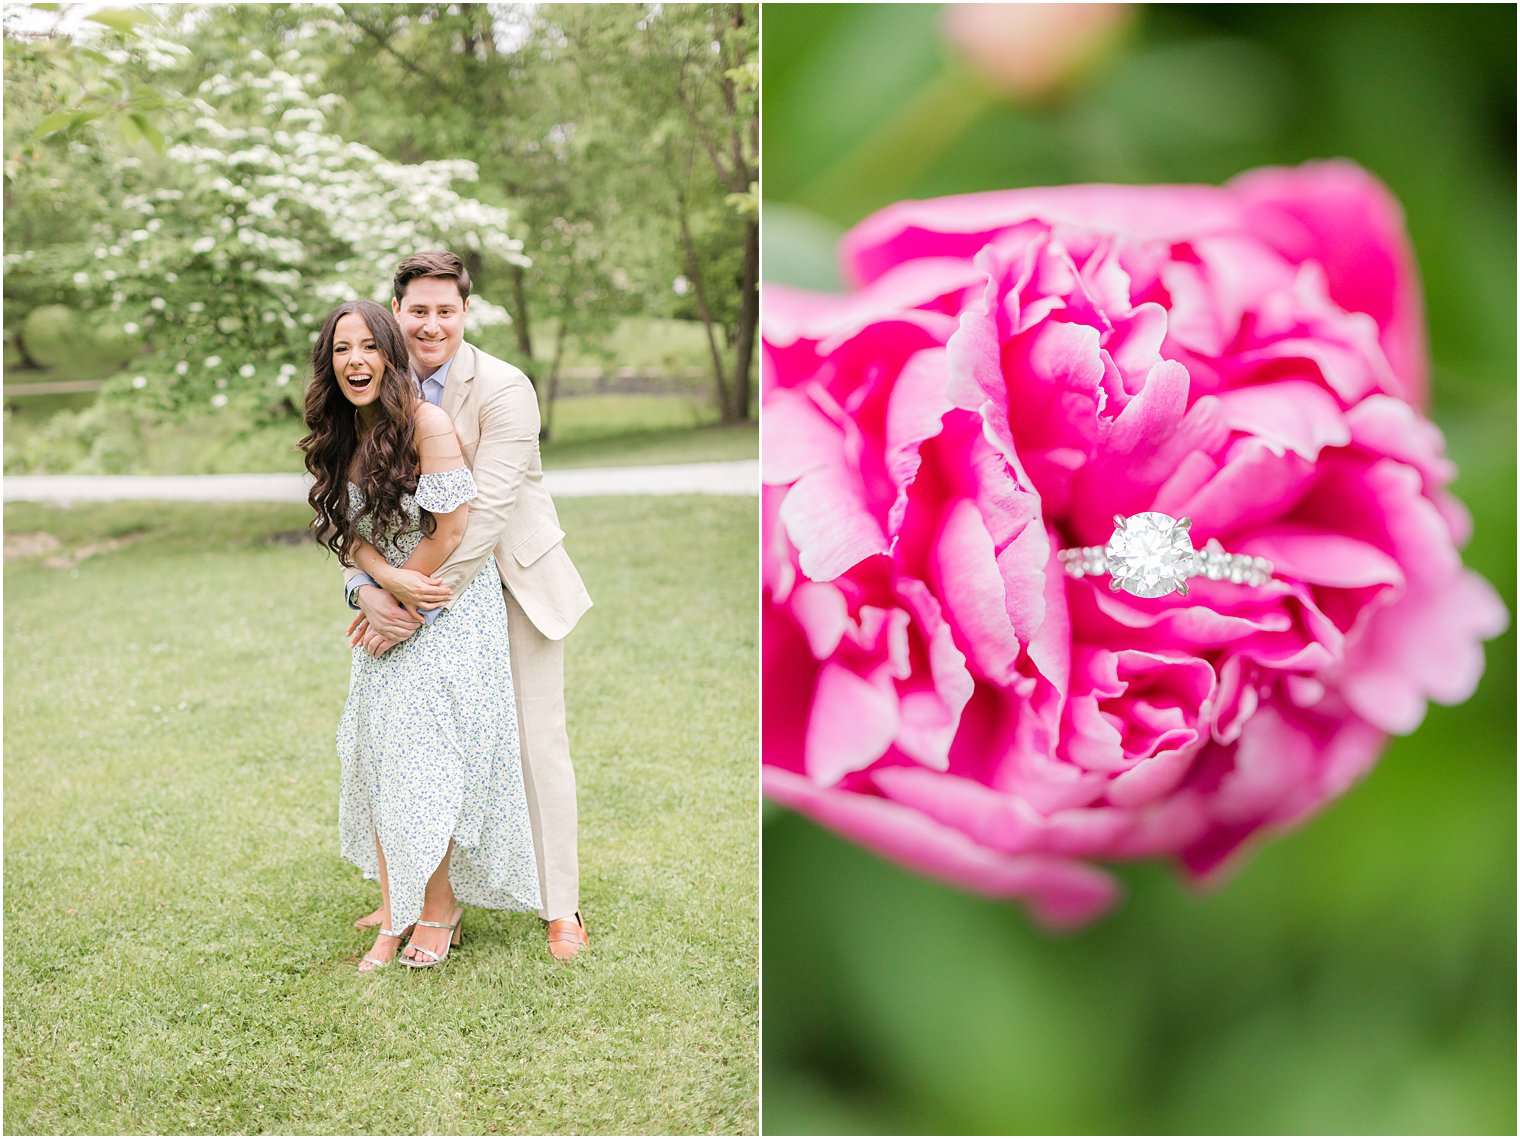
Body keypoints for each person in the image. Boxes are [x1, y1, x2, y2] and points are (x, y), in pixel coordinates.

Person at [344, 251, 594, 960]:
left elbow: (481, 516)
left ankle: (561, 906)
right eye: (417, 310)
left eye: (444, 310)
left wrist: (405, 602)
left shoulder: (506, 388)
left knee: (533, 738)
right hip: (420, 581)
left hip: (510, 578)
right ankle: (415, 896)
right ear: (397, 311)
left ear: (464, 313)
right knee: (410, 738)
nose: (430, 324)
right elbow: (356, 508)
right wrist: (366, 586)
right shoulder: (374, 385)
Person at [300, 298, 541, 971]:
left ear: (390, 354)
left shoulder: (427, 423)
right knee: (378, 753)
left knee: (423, 757)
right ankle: (398, 900)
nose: (356, 361)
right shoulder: (342, 432)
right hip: (397, 598)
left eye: (369, 347)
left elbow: (453, 529)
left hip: (449, 610)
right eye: (342, 349)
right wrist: (378, 587)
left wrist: (407, 599)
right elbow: (347, 534)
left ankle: (437, 909)